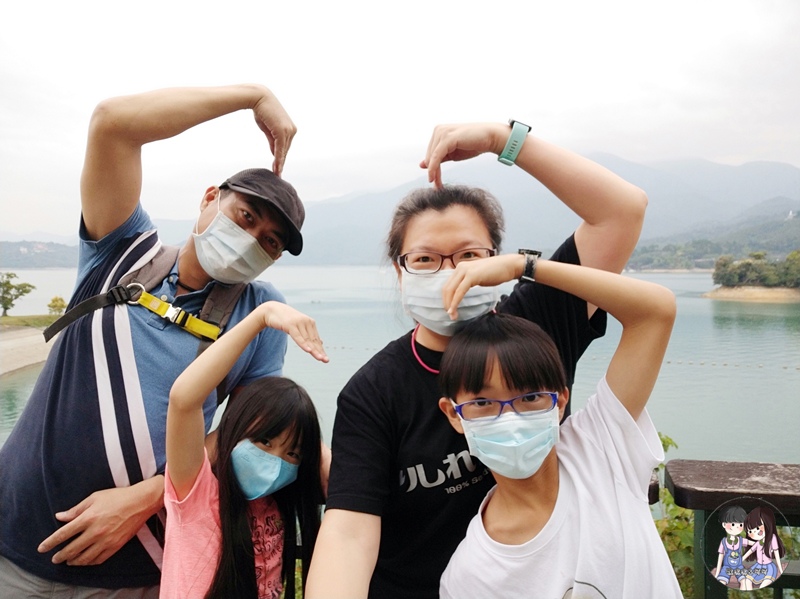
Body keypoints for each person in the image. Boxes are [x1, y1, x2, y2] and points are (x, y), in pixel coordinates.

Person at [0, 84, 326, 597]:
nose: (251, 241)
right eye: (245, 217)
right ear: (210, 198)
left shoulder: (258, 313)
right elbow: (112, 123)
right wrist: (251, 96)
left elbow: (243, 432)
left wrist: (147, 497)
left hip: (140, 569)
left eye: (269, 241)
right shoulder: (122, 250)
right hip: (15, 538)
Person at [306, 120, 649, 598]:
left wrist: (500, 139)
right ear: (400, 272)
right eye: (425, 259)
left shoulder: (537, 324)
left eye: (469, 255)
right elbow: (348, 532)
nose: (450, 273)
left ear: (496, 260)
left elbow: (622, 212)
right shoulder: (375, 392)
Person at [437, 259, 680, 597]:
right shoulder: (470, 577)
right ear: (453, 414)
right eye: (483, 403)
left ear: (561, 400)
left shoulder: (600, 446)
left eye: (530, 397)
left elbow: (656, 310)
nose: (510, 418)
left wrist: (524, 266)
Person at [162, 299, 327, 599]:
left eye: (291, 454)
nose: (274, 461)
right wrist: (260, 317)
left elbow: (344, 478)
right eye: (265, 441)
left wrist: (301, 423)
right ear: (236, 429)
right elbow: (184, 400)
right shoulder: (197, 495)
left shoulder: (276, 506)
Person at [740, 505, 786, 589]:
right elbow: (750, 551)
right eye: (750, 531)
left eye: (757, 528)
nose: (754, 533)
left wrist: (780, 568)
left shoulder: (772, 539)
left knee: (765, 583)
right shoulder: (758, 543)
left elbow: (776, 553)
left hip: (769, 568)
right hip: (757, 567)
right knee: (747, 581)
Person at [714, 505, 747, 587]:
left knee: (745, 582)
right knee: (722, 581)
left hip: (739, 567)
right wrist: (717, 572)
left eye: (740, 525)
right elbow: (720, 557)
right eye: (732, 524)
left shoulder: (740, 540)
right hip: (726, 567)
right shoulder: (724, 542)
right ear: (724, 524)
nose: (736, 527)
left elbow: (755, 545)